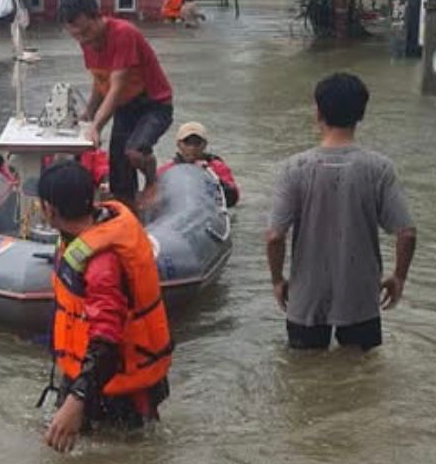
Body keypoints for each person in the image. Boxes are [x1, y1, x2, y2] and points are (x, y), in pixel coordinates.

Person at [266, 73, 417, 351]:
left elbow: (275, 236)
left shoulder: (293, 168)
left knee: (303, 380)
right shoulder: (379, 168)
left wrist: (277, 280)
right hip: (360, 298)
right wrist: (399, 277)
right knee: (363, 379)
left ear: (318, 113)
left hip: (306, 299)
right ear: (361, 114)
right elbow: (406, 233)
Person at [38, 161, 172, 453]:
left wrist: (76, 401)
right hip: (96, 376)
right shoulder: (87, 235)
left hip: (115, 388)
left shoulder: (102, 264)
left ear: (49, 209)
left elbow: (107, 342)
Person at [59, 0, 173, 210]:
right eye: (77, 36)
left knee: (134, 151)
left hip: (154, 105)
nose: (84, 39)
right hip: (125, 107)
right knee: (119, 171)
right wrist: (87, 117)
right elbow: (100, 83)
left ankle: (151, 181)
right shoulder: (87, 41)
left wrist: (96, 126)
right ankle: (127, 211)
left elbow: (117, 86)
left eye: (87, 31)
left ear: (97, 16)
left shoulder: (123, 33)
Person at [158, 122, 240, 208]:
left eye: (197, 142)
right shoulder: (166, 170)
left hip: (207, 212)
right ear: (179, 144)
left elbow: (233, 198)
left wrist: (211, 177)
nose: (192, 147)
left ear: (204, 144)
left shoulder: (217, 167)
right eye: (187, 142)